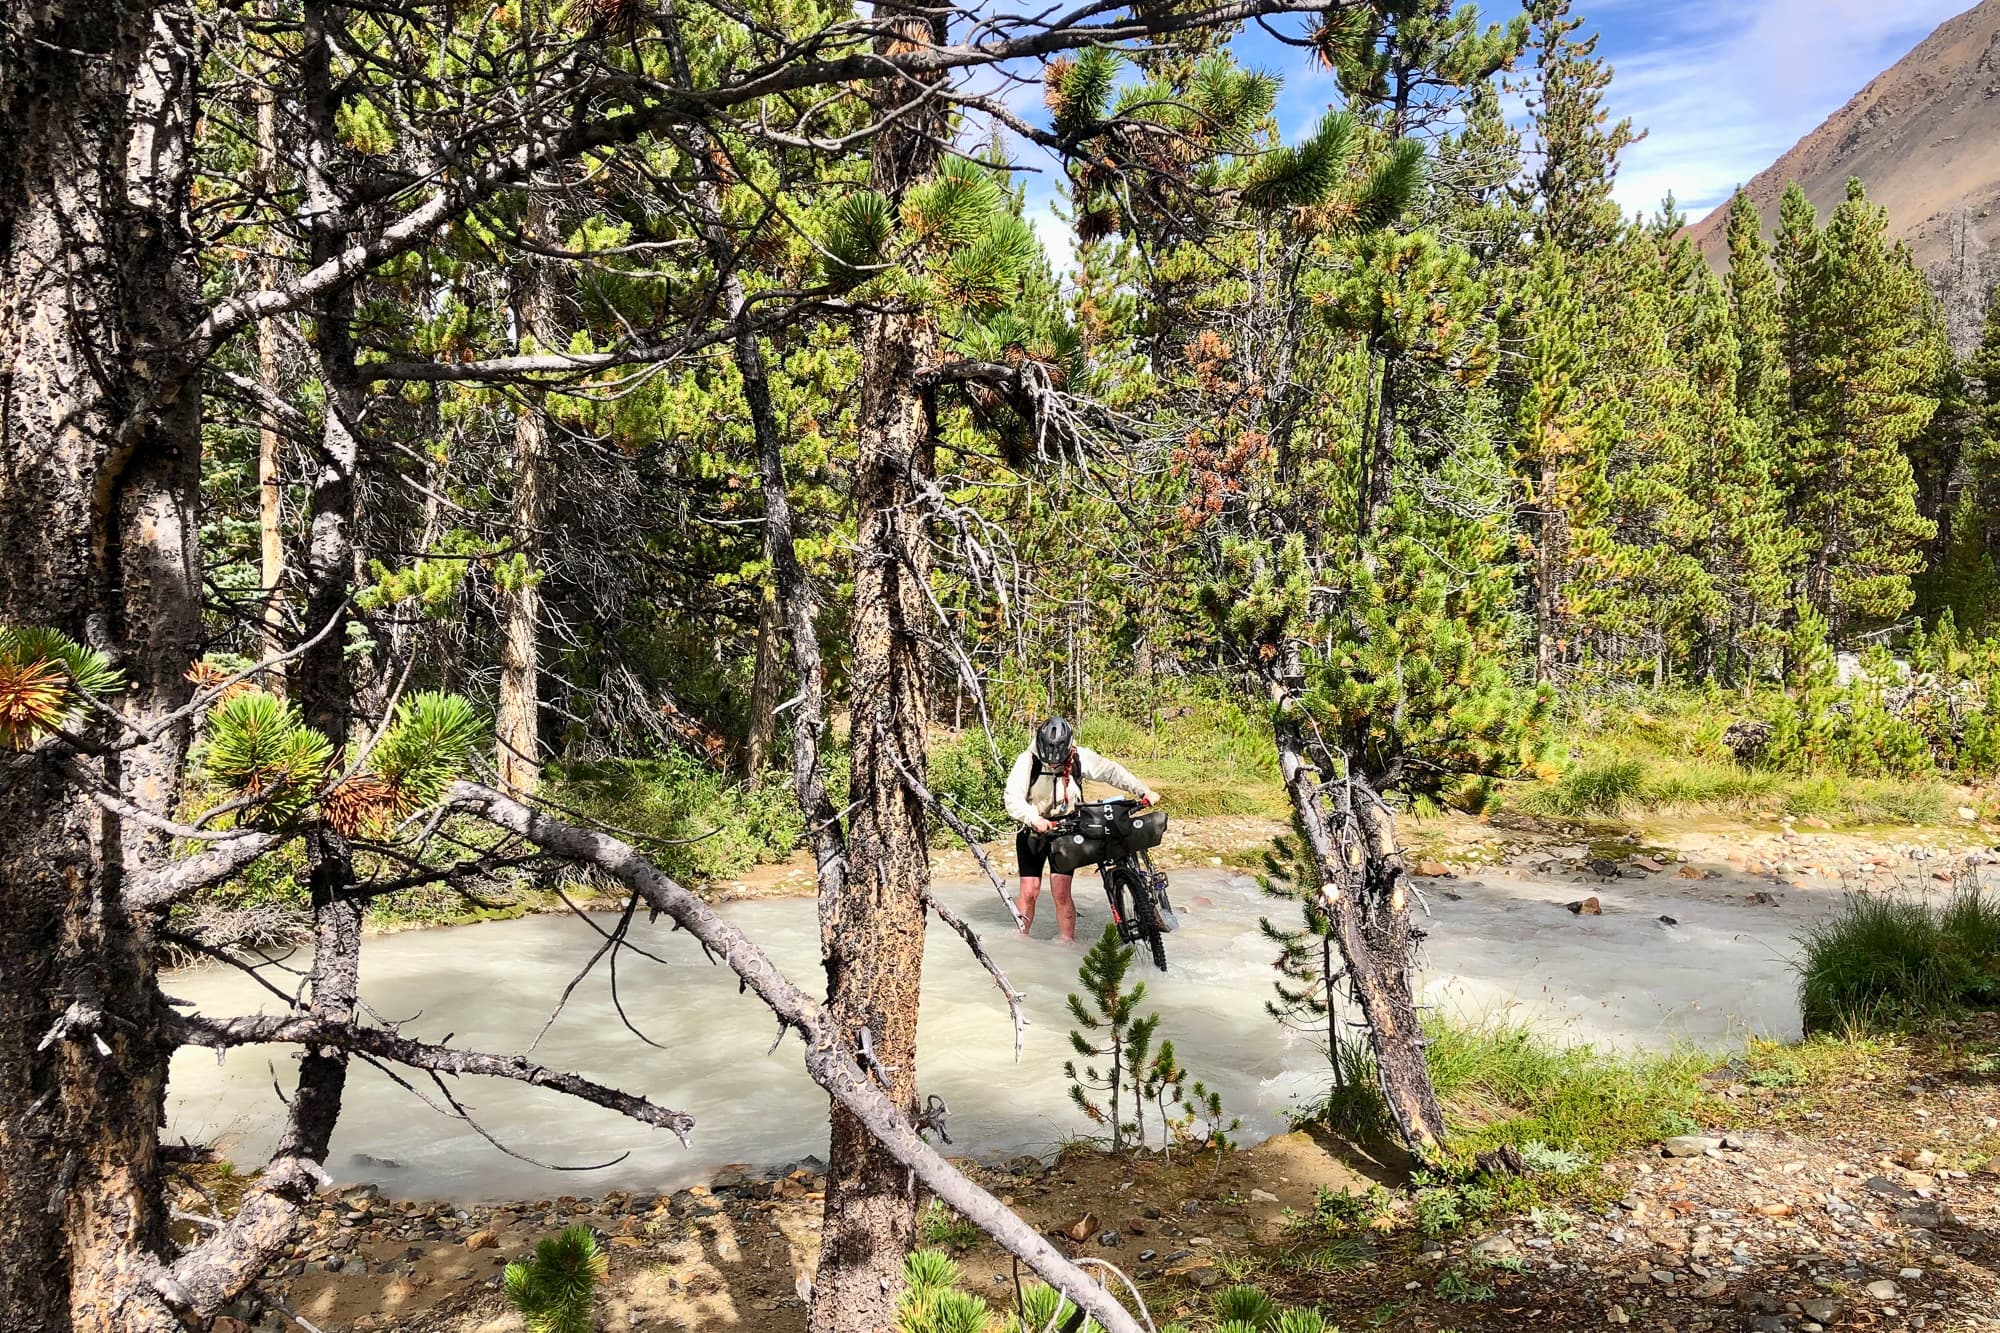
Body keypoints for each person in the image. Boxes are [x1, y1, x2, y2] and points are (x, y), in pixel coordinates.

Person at [1005, 716, 1158, 942]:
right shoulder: (1028, 761)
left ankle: (1067, 943)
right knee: (1029, 890)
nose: (1055, 764)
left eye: (1059, 761)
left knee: (1060, 891)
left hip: (1066, 829)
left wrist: (1142, 790)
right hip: (1033, 830)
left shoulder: (1078, 756)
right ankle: (1020, 940)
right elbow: (1012, 798)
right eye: (1051, 761)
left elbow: (1110, 771)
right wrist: (1033, 818)